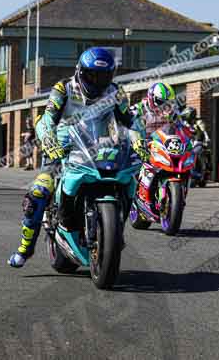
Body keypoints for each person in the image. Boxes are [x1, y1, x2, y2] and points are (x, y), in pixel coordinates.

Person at [8, 47, 139, 268]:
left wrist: (140, 141)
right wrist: (49, 141)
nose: (97, 82)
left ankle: (115, 231)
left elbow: (130, 121)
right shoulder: (64, 89)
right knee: (39, 192)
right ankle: (25, 248)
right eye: (92, 76)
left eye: (104, 77)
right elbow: (47, 118)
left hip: (101, 149)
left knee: (129, 179)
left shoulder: (115, 92)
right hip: (62, 151)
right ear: (80, 71)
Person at [130, 82, 187, 206]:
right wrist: (136, 140)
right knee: (131, 165)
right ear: (152, 98)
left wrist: (186, 137)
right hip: (140, 143)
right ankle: (133, 196)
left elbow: (180, 127)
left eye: (169, 103)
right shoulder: (139, 108)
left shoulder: (172, 112)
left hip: (160, 144)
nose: (165, 106)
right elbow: (127, 126)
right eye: (161, 102)